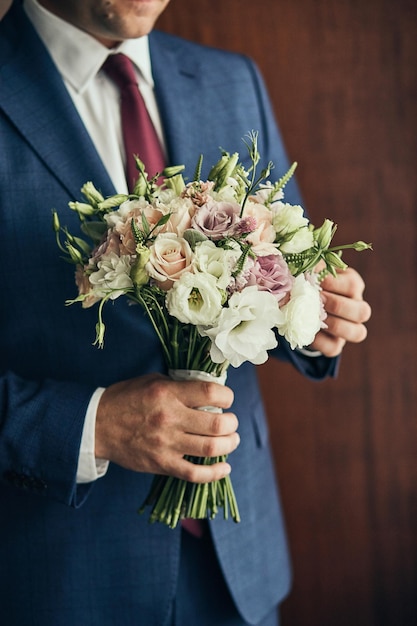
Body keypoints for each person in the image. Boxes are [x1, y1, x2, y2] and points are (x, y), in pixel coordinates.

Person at [0, 1, 371, 624]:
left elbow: (284, 274)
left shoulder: (232, 80)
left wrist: (315, 318)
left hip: (239, 565)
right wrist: (94, 426)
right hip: (59, 577)